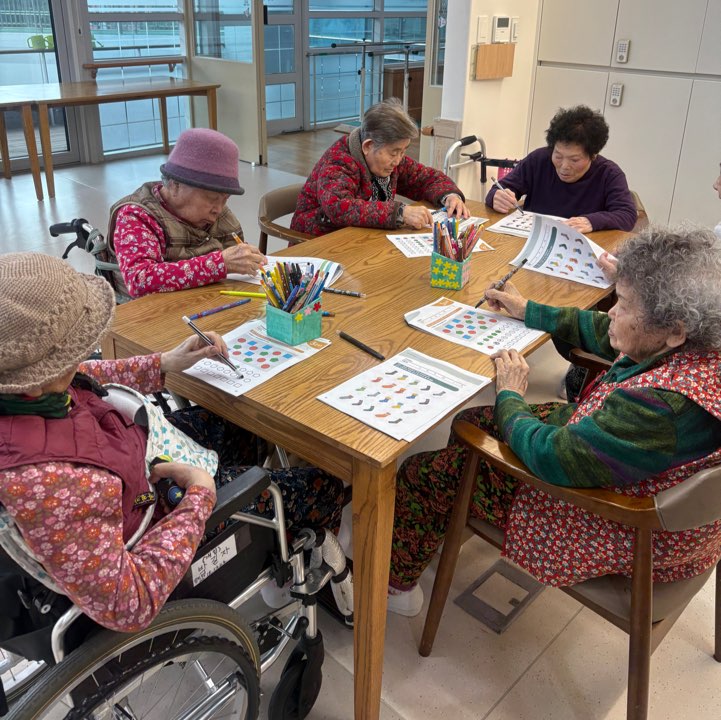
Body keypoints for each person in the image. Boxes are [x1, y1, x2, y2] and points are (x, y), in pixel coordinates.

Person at [0, 252, 344, 633]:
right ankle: (295, 566)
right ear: (39, 375)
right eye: (73, 347)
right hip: (161, 512)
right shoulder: (50, 483)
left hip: (135, 459)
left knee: (242, 427)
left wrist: (164, 362)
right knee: (321, 485)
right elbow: (130, 603)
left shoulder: (22, 392)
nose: (82, 351)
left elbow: (84, 376)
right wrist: (200, 495)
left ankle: (275, 533)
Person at [388, 226, 721, 617]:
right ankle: (444, 515)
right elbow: (604, 332)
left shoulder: (659, 408)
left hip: (615, 524)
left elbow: (551, 457)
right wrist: (528, 310)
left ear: (675, 330)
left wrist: (510, 394)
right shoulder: (692, 345)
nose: (611, 312)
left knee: (421, 471)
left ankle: (397, 588)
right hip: (633, 474)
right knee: (473, 420)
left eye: (625, 305)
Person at [106, 128, 266, 299]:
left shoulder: (218, 212)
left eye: (225, 199)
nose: (219, 209)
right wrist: (219, 264)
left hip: (209, 301)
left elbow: (234, 256)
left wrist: (245, 258)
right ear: (175, 185)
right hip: (156, 311)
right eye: (212, 198)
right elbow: (140, 280)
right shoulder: (136, 216)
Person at [291, 98, 470, 237]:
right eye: (394, 153)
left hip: (360, 238)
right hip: (318, 244)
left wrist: (449, 196)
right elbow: (340, 207)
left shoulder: (391, 160)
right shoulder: (338, 162)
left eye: (403, 151)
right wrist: (400, 213)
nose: (398, 160)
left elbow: (425, 178)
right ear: (368, 146)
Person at [486, 105, 637, 233]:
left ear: (593, 155)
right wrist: (496, 197)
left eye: (574, 160)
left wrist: (591, 221)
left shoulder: (609, 174)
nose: (564, 166)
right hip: (533, 237)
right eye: (558, 156)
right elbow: (500, 188)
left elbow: (627, 214)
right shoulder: (538, 160)